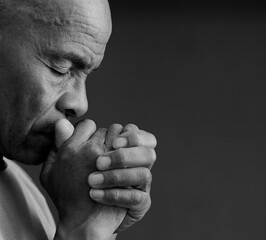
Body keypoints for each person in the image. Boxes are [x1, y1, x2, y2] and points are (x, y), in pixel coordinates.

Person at [0, 0, 157, 239]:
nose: (81, 104)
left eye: (86, 75)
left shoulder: (20, 191)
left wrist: (98, 218)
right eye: (61, 69)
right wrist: (82, 230)